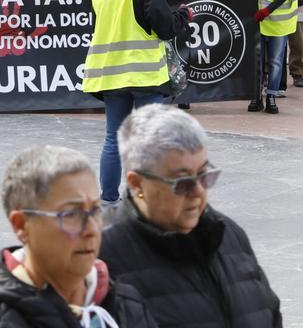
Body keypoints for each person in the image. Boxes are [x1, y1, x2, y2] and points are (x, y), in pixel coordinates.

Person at [99, 105, 282, 328]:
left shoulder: (229, 235)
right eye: (182, 182)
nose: (198, 192)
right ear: (137, 184)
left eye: (204, 175)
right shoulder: (103, 260)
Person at [0, 145, 158, 328]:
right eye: (70, 214)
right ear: (21, 226)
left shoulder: (125, 302)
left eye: (95, 210)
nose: (92, 229)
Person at [84, 0, 189, 204]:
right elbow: (165, 28)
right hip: (145, 75)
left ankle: (108, 198)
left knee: (113, 138)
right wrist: (183, 16)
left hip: (110, 75)